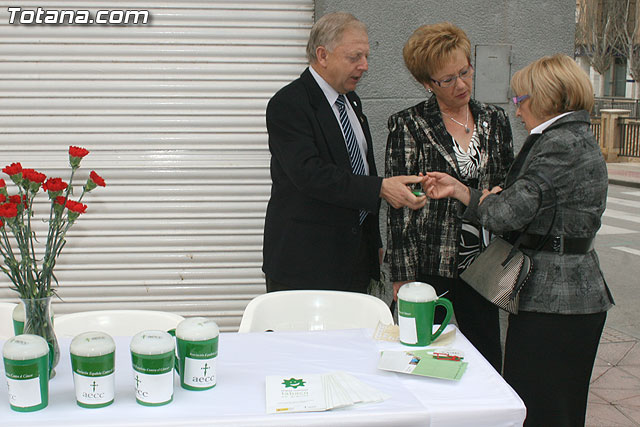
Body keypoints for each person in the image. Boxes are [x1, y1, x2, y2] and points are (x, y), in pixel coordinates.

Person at [423, 53, 614, 426]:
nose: (517, 111)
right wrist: (474, 192)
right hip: (569, 296)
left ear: (543, 98)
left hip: (557, 301)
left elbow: (509, 213)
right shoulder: (574, 136)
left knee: (539, 406)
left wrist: (474, 197)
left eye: (519, 100)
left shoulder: (558, 143)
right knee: (560, 405)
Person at [262, 12, 426, 294]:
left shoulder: (351, 101)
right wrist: (381, 188)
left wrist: (373, 242)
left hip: (355, 260)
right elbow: (310, 174)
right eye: (354, 57)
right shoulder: (289, 104)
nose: (364, 66)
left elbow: (360, 167)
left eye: (366, 57)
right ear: (322, 55)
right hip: (305, 265)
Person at [385, 22, 513, 371]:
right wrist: (401, 275)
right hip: (430, 261)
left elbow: (507, 188)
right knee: (420, 358)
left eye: (464, 72)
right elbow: (399, 207)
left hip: (484, 262)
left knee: (487, 358)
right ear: (427, 83)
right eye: (447, 79)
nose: (461, 85)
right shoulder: (408, 124)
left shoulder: (495, 119)